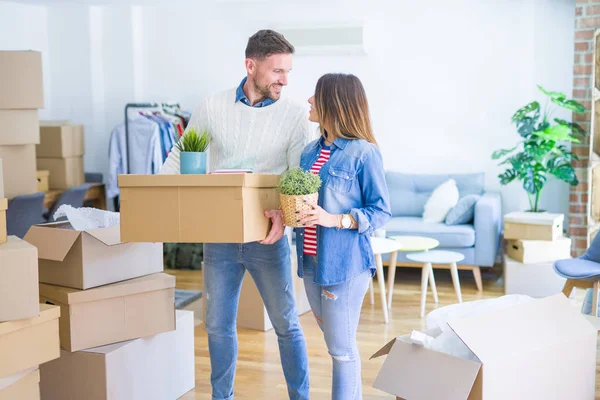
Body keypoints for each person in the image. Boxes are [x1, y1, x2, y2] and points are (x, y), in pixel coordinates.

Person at [160, 30, 312, 400]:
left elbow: (296, 177)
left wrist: (283, 217)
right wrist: (157, 198)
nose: (284, 80)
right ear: (251, 65)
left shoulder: (294, 115)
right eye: (277, 71)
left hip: (268, 238)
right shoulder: (212, 106)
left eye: (288, 72)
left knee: (287, 325)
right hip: (220, 236)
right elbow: (182, 155)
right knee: (216, 325)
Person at [296, 73, 392, 400]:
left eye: (315, 95)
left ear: (333, 103)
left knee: (340, 349)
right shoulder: (310, 152)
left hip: (345, 265)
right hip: (310, 262)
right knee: (338, 343)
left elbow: (380, 211)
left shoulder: (364, 153)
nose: (309, 100)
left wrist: (334, 219)